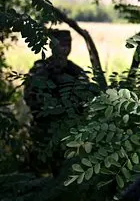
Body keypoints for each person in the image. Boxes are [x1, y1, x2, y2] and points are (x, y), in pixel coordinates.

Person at [23, 29, 90, 175]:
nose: (65, 47)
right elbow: (29, 95)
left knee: (64, 173)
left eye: (68, 43)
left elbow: (86, 99)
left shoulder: (76, 71)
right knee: (36, 173)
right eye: (61, 44)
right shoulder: (40, 69)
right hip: (43, 130)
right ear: (52, 46)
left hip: (67, 131)